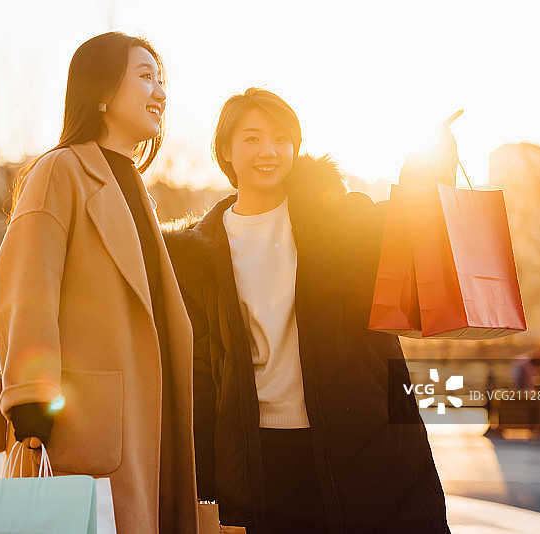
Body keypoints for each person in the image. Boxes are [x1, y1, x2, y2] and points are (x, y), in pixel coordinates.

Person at [164, 88, 450, 533]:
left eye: (281, 138)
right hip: (260, 454)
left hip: (359, 434)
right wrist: (205, 484)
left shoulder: (332, 217)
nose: (269, 151)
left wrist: (426, 168)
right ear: (225, 150)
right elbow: (202, 371)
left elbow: (397, 233)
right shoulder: (201, 253)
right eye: (252, 139)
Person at [0, 32, 198, 534]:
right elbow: (26, 284)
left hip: (151, 423)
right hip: (88, 427)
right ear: (102, 90)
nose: (161, 93)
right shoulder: (62, 169)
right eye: (145, 77)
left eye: (162, 80)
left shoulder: (133, 187)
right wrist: (32, 399)